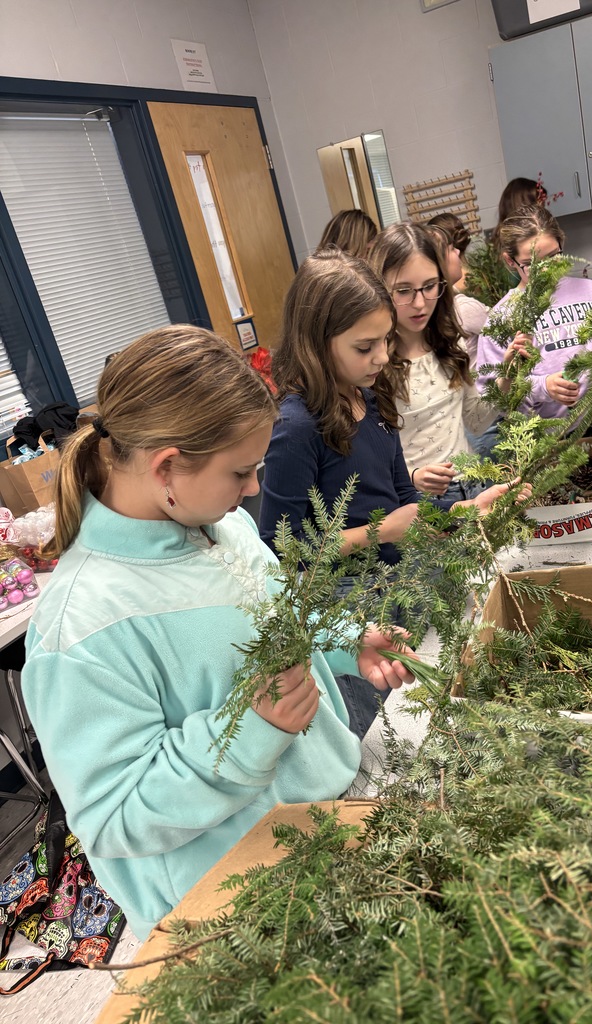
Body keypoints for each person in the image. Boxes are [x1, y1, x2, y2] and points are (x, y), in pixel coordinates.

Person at [21, 325, 415, 942]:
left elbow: (274, 618)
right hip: (238, 905)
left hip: (328, 821)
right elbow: (114, 817)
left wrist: (344, 637)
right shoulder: (81, 626)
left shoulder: (220, 524)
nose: (255, 489)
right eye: (241, 471)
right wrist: (254, 732)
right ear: (168, 468)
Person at [259, 248, 510, 561]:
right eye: (364, 347)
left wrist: (464, 509)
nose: (382, 357)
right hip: (349, 600)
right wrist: (380, 532)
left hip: (401, 580)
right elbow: (280, 546)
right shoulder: (296, 426)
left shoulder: (372, 398)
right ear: (316, 343)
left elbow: (403, 500)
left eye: (385, 340)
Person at [367, 223, 500, 500]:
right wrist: (412, 476)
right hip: (422, 505)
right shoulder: (373, 365)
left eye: (429, 287)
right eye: (403, 291)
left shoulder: (450, 342)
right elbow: (367, 459)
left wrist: (506, 379)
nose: (420, 303)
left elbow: (475, 421)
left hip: (476, 487)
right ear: (379, 290)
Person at [476, 205, 592, 421]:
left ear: (562, 243)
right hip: (546, 440)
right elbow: (493, 400)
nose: (545, 271)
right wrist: (544, 386)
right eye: (531, 264)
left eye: (553, 257)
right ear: (509, 261)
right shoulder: (501, 319)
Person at [426, 213, 489, 371]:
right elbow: (506, 333)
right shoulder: (464, 308)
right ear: (440, 262)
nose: (458, 252)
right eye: (451, 249)